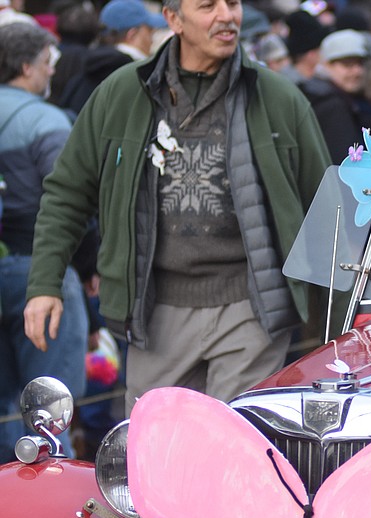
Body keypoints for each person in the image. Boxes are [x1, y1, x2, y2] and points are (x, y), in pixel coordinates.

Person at [23, 0, 330, 413]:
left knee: (233, 445)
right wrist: (45, 284)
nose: (226, 15)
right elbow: (67, 192)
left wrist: (338, 323)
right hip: (155, 312)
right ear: (173, 19)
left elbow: (326, 208)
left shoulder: (278, 98)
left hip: (252, 307)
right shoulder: (121, 93)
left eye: (233, 3)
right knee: (157, 447)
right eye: (207, 6)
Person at [0, 22, 87, 460]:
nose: (51, 73)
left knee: (3, 409)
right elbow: (75, 199)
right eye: (47, 64)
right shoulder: (45, 120)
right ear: (25, 65)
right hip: (42, 273)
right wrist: (89, 267)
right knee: (51, 411)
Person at [58, 0, 169, 116]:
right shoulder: (140, 75)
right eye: (149, 31)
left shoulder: (84, 70)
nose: (152, 39)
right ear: (132, 35)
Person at [300, 28, 371, 163]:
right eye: (347, 64)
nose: (357, 71)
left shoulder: (343, 99)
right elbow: (344, 164)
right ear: (326, 65)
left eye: (359, 63)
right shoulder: (331, 105)